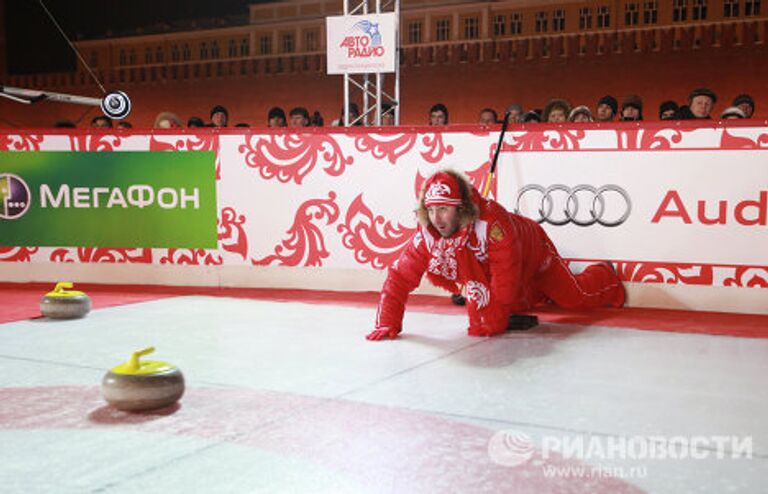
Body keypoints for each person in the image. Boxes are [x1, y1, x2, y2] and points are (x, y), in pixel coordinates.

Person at [366, 170, 625, 341]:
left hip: (532, 253)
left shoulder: (491, 224)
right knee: (514, 303)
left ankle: (605, 275)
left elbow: (505, 275)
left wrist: (493, 322)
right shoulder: (428, 234)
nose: (437, 219)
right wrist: (387, 322)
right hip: (497, 268)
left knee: (574, 299)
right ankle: (537, 294)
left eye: (444, 210)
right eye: (431, 210)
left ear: (461, 209)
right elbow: (399, 277)